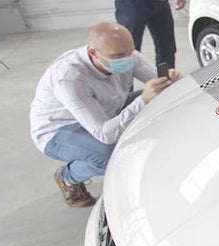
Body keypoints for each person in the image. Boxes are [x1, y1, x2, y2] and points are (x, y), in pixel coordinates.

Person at [30, 21, 179, 207]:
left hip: (107, 109)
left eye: (129, 52)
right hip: (60, 130)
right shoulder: (69, 77)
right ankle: (67, 177)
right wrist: (142, 101)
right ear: (93, 53)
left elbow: (157, 83)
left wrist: (171, 82)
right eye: (117, 56)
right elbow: (105, 134)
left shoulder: (126, 54)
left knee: (159, 97)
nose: (126, 59)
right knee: (107, 156)